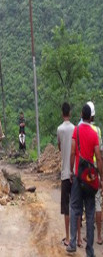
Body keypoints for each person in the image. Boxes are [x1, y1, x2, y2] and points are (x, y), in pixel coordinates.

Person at [66, 104, 103, 255]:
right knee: (90, 213)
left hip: (78, 177)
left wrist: (70, 171)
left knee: (75, 209)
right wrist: (101, 177)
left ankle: (73, 243)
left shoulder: (77, 130)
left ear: (82, 114)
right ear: (91, 117)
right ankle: (90, 250)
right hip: (90, 178)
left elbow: (73, 150)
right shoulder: (95, 134)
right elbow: (99, 158)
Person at [57, 102, 75, 247]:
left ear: (62, 113)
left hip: (64, 173)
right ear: (70, 112)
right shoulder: (75, 129)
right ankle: (78, 238)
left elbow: (59, 146)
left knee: (66, 207)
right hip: (74, 173)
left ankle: (68, 238)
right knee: (76, 205)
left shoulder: (60, 129)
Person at [87, 101, 103, 245]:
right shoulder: (97, 130)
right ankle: (99, 236)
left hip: (86, 171)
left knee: (88, 203)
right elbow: (100, 155)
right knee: (97, 203)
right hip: (96, 170)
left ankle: (88, 234)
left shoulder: (82, 129)